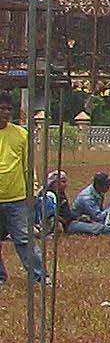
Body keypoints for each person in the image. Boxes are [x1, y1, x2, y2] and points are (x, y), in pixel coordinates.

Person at [0, 103, 43, 285]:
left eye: (8, 109)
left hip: (16, 197)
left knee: (24, 239)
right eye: (1, 108)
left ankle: (39, 276)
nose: (5, 113)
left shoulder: (21, 134)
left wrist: (32, 190)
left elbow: (28, 165)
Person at [67, 172, 110, 236]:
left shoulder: (98, 192)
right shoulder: (87, 198)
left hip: (89, 219)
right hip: (76, 222)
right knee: (101, 228)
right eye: (107, 185)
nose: (109, 187)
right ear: (99, 185)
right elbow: (98, 217)